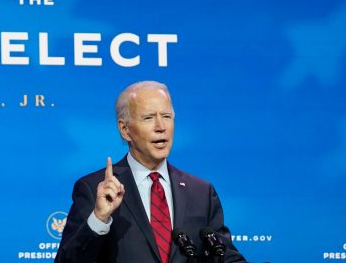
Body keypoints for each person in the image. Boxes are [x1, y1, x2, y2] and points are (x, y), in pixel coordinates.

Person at [55, 81, 246, 263]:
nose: (161, 127)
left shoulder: (201, 193)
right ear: (125, 129)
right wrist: (99, 218)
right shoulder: (95, 189)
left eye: (166, 116)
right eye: (148, 118)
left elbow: (225, 256)